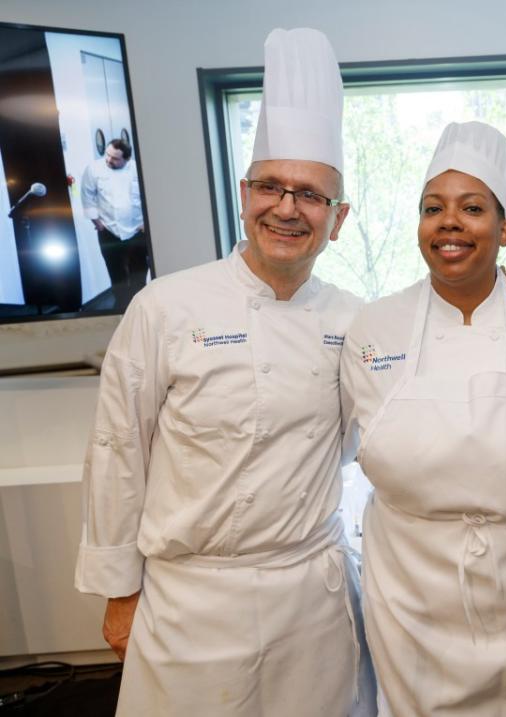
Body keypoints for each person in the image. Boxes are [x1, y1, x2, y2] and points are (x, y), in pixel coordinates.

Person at [74, 29, 377, 716]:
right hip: (190, 602)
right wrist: (122, 593)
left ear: (339, 217)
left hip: (313, 599)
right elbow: (119, 449)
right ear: (245, 194)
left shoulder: (358, 320)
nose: (287, 207)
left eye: (310, 194)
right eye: (271, 186)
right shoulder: (165, 307)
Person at [340, 121, 506, 716]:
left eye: (472, 207)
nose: (449, 222)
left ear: (505, 228)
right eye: (432, 207)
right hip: (415, 610)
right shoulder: (375, 329)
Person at [80, 138, 148, 306]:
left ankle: (140, 308)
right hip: (109, 231)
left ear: (126, 159)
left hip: (137, 230)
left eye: (115, 158)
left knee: (138, 273)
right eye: (107, 155)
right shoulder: (94, 169)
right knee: (116, 274)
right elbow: (87, 195)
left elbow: (150, 195)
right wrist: (96, 221)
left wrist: (147, 222)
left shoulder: (138, 169)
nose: (109, 160)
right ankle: (122, 308)